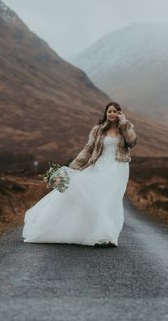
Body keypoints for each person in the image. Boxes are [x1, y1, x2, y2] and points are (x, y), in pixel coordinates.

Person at [22, 102, 139, 247]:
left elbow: (132, 142)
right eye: (109, 111)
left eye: (115, 111)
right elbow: (88, 149)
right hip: (100, 166)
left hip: (118, 168)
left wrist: (125, 123)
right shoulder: (98, 130)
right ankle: (102, 234)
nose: (112, 114)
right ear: (105, 113)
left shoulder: (124, 129)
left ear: (119, 113)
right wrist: (74, 167)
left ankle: (109, 235)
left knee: (111, 200)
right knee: (96, 198)